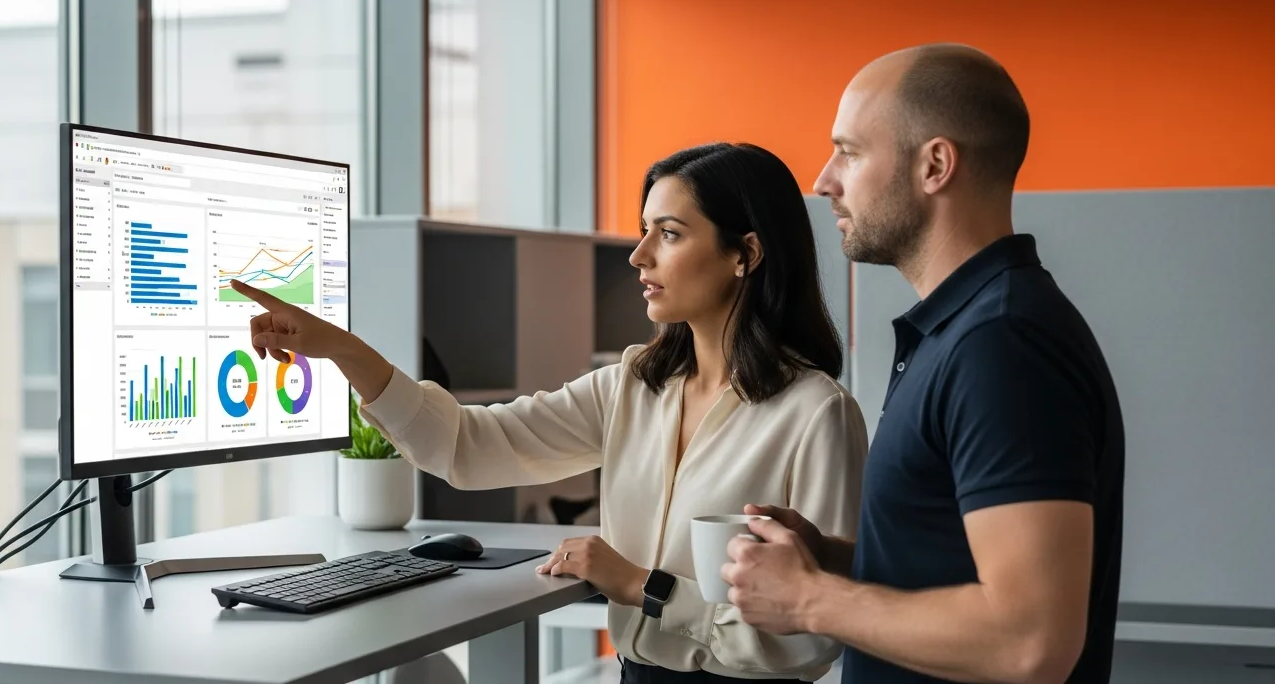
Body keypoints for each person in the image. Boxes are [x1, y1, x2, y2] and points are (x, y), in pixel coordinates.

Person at [230, 142, 869, 682]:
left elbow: (809, 636)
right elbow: (467, 446)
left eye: (669, 234)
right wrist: (344, 351)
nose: (638, 254)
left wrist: (645, 588)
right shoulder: (632, 386)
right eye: (644, 228)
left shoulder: (816, 415)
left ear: (745, 254)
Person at [720, 43, 1126, 684]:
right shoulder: (963, 330)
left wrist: (809, 599)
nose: (825, 180)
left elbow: (1032, 641)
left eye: (849, 152)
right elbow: (952, 570)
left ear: (935, 164)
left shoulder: (1003, 344)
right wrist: (832, 561)